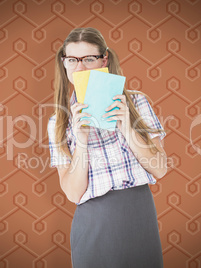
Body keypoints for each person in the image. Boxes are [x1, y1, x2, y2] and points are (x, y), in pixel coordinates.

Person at [47, 27, 167, 268]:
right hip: (93, 224)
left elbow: (160, 168)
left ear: (105, 59)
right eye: (72, 60)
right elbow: (73, 193)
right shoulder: (58, 123)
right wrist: (81, 140)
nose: (79, 68)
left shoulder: (137, 102)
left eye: (88, 59)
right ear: (64, 64)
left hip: (140, 216)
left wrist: (127, 128)